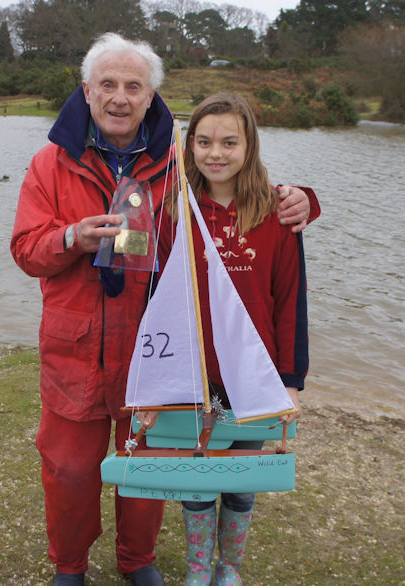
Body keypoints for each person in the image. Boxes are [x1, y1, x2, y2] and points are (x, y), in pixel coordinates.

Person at [10, 33, 317, 586]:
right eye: (108, 84)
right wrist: (71, 238)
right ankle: (70, 566)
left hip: (156, 349)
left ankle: (137, 561)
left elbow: (233, 197)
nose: (120, 97)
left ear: (152, 97)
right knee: (70, 471)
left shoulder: (174, 163)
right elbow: (25, 250)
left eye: (134, 86)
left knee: (155, 464)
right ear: (86, 90)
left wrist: (299, 199)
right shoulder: (50, 163)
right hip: (74, 348)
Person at [151, 93, 312, 585]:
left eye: (228, 142)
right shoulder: (174, 210)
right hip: (194, 379)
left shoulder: (277, 215)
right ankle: (199, 569)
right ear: (188, 147)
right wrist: (157, 381)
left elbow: (291, 302)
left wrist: (291, 380)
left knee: (241, 483)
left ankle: (229, 568)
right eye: (203, 141)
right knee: (198, 482)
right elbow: (156, 299)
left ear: (249, 146)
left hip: (252, 379)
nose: (214, 153)